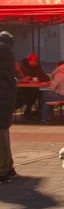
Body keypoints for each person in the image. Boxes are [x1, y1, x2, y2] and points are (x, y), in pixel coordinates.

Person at [0, 31, 16, 182]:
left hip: (2, 102)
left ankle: (3, 171)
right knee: (4, 135)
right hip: (6, 101)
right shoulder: (8, 56)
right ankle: (8, 168)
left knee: (2, 139)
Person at [17, 52, 48, 119]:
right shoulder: (23, 68)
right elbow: (21, 79)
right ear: (28, 61)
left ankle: (36, 112)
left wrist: (38, 79)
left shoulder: (37, 68)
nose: (34, 62)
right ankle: (29, 112)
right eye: (32, 61)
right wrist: (25, 79)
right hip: (23, 90)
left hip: (34, 88)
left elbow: (45, 77)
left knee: (39, 94)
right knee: (33, 95)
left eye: (35, 61)